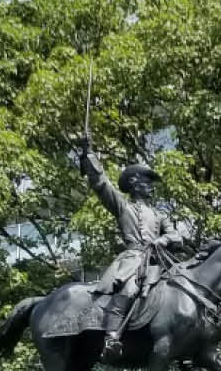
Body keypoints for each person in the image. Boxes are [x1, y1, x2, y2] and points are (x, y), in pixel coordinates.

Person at [75, 141, 188, 350]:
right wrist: (88, 155)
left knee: (183, 296)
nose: (151, 187)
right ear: (135, 183)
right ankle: (111, 338)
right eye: (147, 182)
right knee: (128, 289)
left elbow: (177, 236)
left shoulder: (159, 214)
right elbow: (101, 184)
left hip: (159, 262)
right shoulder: (124, 208)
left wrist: (163, 239)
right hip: (134, 260)